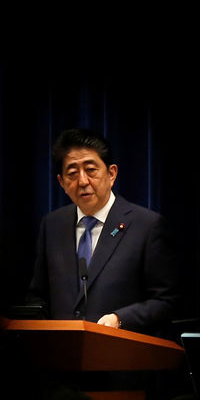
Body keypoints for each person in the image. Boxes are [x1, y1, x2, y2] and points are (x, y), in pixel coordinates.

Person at [25, 128, 179, 336]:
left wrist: (120, 319)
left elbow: (166, 302)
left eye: (91, 170)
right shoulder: (52, 225)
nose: (83, 181)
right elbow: (38, 298)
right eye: (72, 173)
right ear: (61, 182)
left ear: (111, 173)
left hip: (123, 358)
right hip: (62, 361)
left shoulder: (147, 225)